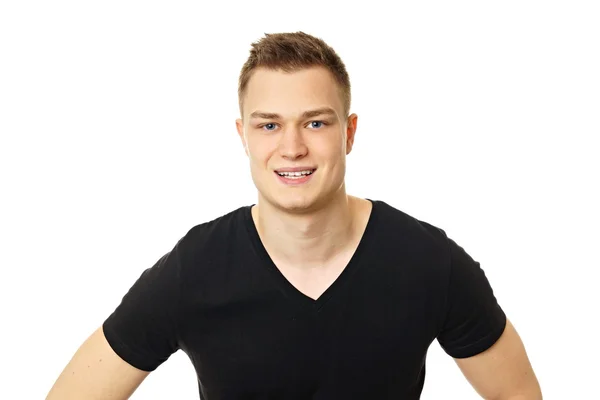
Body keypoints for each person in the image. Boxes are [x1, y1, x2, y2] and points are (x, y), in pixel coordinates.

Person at [46, 31, 542, 399]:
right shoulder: (195, 268)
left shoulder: (431, 263)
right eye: (269, 125)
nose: (293, 147)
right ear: (243, 135)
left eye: (315, 122)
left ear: (348, 133)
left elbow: (516, 393)